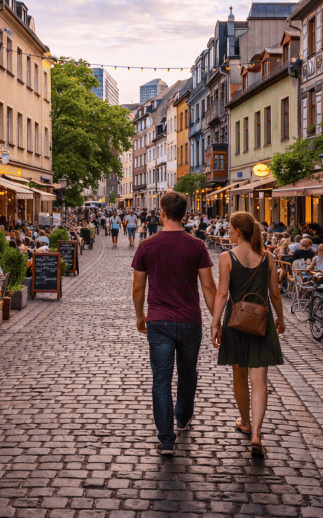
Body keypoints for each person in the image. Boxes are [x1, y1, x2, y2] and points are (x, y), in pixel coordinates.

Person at [132, 191, 216, 456]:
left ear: (162, 213)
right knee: (188, 373)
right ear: (185, 214)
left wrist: (139, 315)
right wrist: (216, 320)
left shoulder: (147, 245)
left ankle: (166, 440)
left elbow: (138, 287)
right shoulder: (197, 245)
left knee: (161, 379)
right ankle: (183, 415)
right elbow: (208, 287)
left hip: (159, 321)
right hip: (190, 320)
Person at [213, 212, 285, 458]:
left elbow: (222, 293)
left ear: (238, 231)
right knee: (260, 380)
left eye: (231, 229)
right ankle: (256, 432)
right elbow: (275, 294)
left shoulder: (227, 257)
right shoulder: (268, 257)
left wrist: (215, 323)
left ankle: (244, 420)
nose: (228, 232)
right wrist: (281, 319)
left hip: (236, 321)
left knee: (239, 374)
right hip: (262, 322)